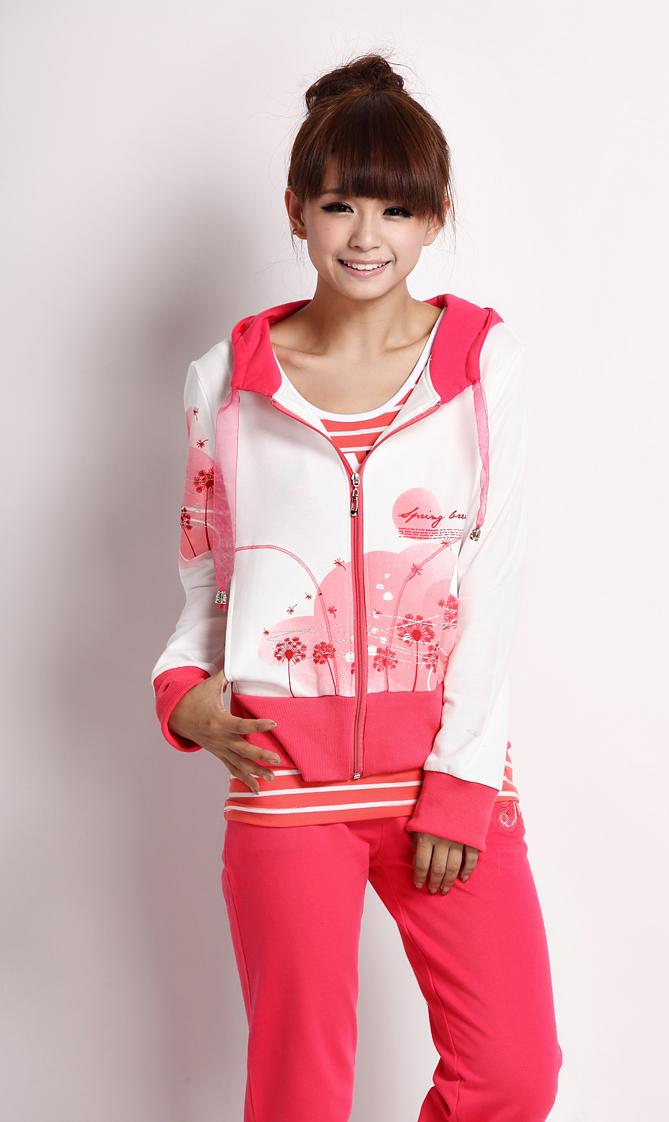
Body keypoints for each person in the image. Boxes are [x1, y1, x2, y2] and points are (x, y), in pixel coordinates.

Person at [150, 49, 563, 1122]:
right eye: (339, 205)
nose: (366, 236)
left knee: (513, 1073)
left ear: (433, 220)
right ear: (296, 212)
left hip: (443, 775)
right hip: (286, 785)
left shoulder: (482, 364)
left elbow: (494, 575)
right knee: (300, 1094)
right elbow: (207, 577)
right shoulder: (225, 382)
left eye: (395, 209)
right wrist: (182, 692)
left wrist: (461, 781)